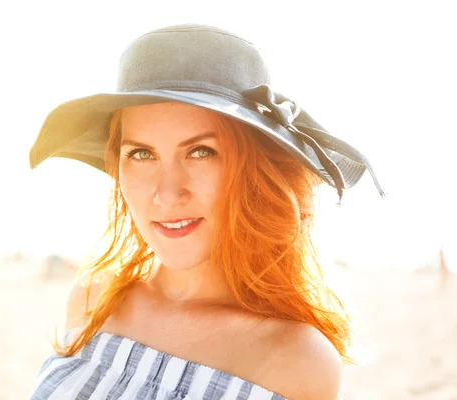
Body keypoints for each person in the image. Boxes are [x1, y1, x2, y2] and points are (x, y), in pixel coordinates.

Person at [26, 24, 385, 400]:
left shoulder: (294, 360)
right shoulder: (92, 298)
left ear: (255, 174)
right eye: (141, 154)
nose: (167, 194)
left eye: (201, 152)